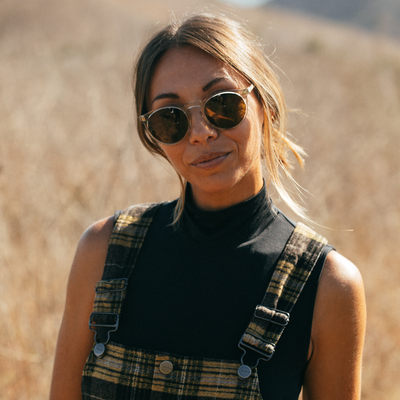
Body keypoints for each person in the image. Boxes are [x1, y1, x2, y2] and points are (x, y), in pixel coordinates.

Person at [49, 13, 366, 400]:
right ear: (154, 136)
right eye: (171, 118)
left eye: (223, 105)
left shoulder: (328, 286)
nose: (201, 133)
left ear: (262, 103)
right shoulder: (102, 252)